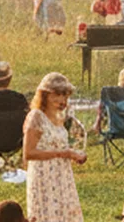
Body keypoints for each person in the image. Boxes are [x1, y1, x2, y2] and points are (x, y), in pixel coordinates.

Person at [24, 72, 85, 222]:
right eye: (57, 95)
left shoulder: (60, 118)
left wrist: (75, 154)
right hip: (44, 176)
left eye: (65, 95)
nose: (62, 100)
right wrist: (65, 153)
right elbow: (29, 153)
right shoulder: (36, 117)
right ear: (46, 96)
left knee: (65, 214)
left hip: (61, 174)